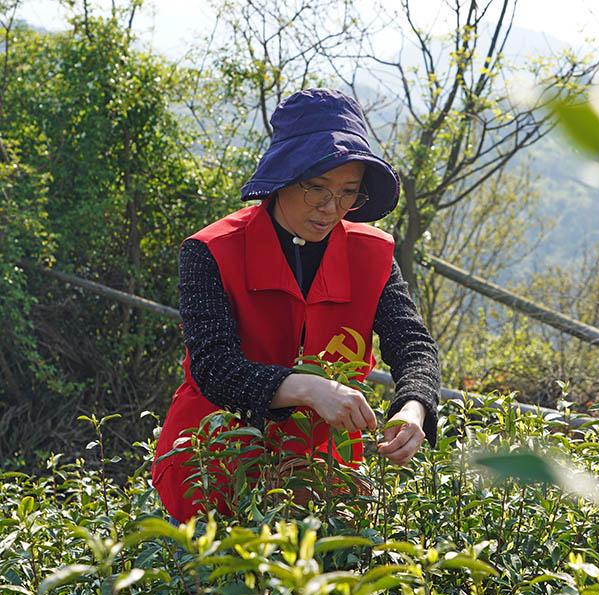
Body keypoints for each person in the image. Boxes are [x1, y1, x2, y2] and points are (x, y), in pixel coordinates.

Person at [151, 89, 441, 522]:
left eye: (348, 193)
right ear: (284, 177)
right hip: (214, 468)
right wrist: (310, 388)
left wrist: (414, 405)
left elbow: (413, 344)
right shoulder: (212, 250)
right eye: (316, 188)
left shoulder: (373, 254)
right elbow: (214, 367)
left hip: (322, 474)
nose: (331, 208)